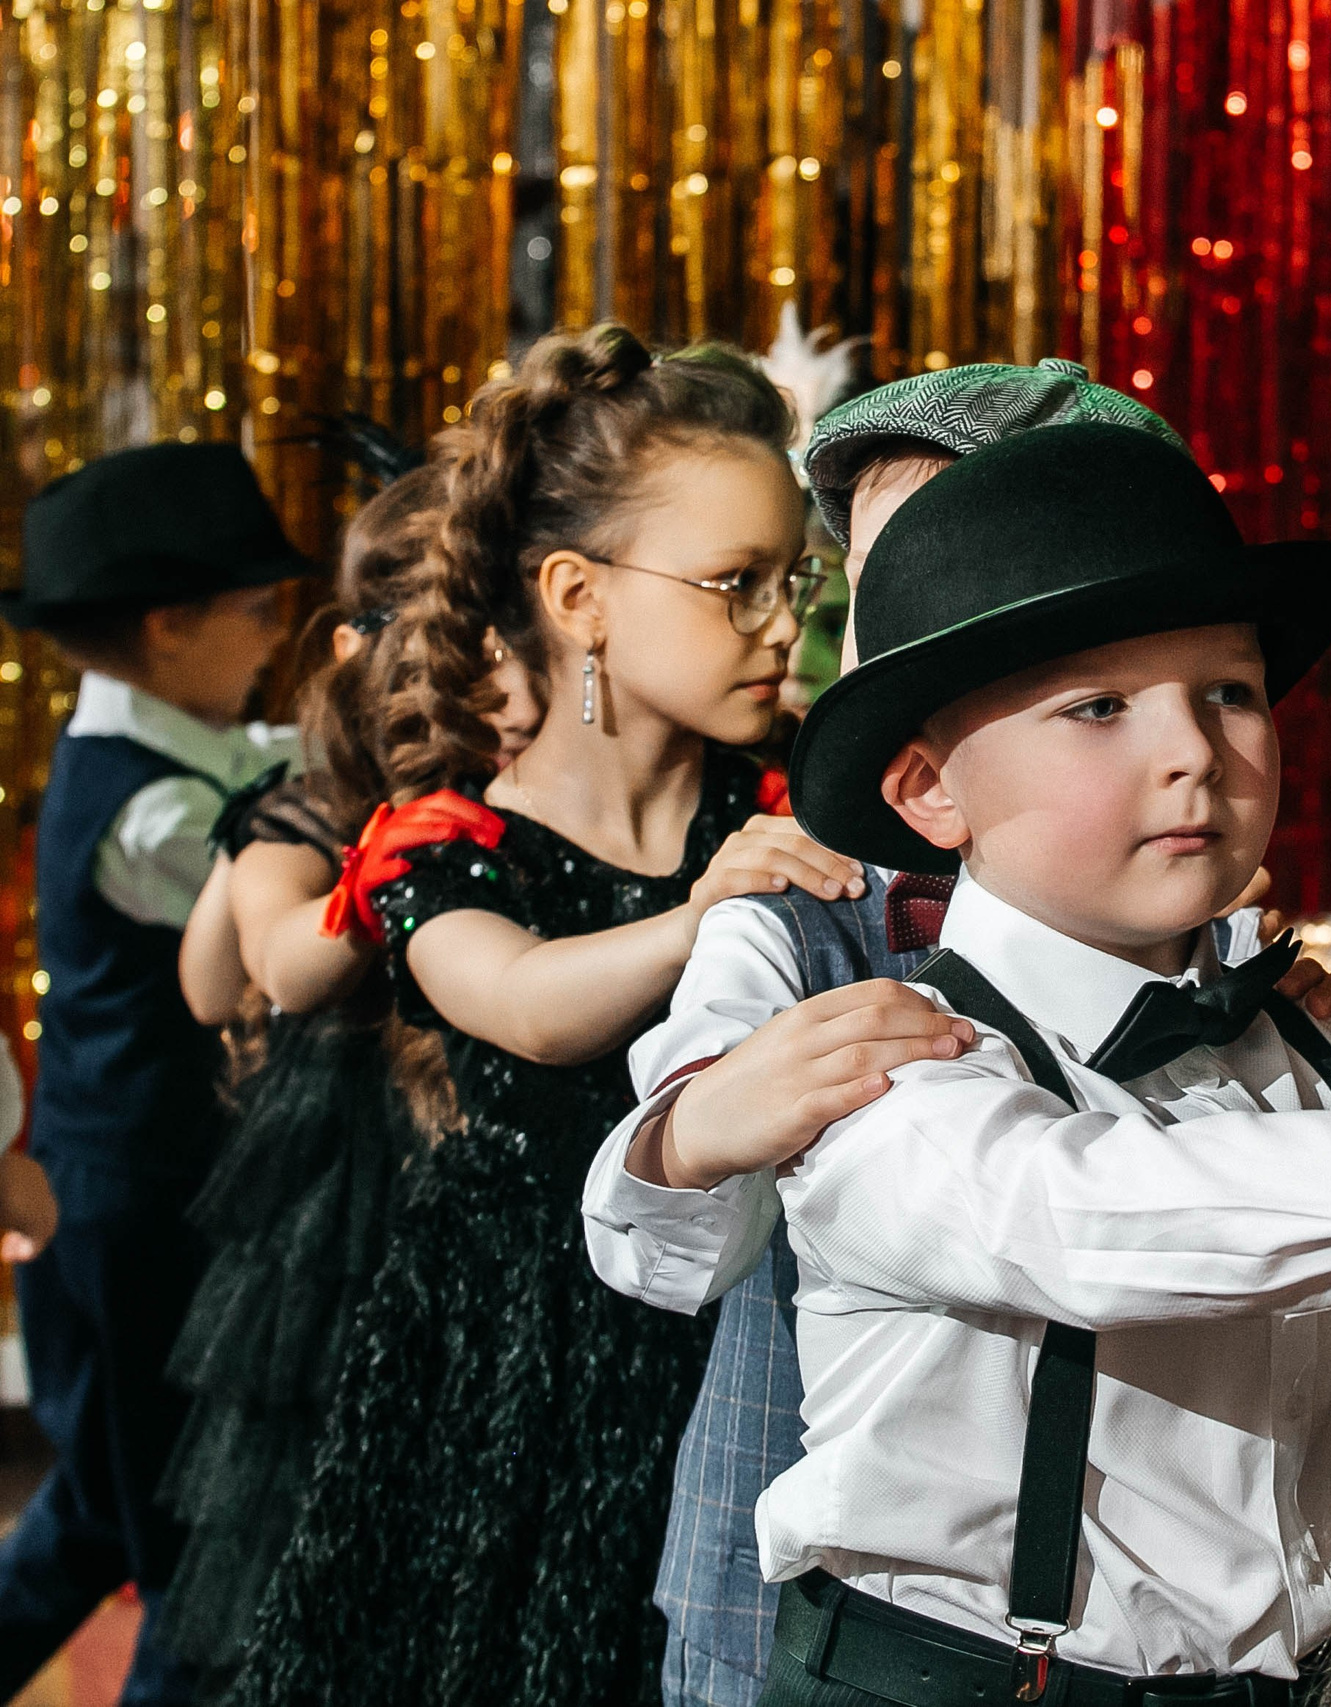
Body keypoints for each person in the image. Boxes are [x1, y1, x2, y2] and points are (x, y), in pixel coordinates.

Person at [583, 422, 1331, 1706]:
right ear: (930, 791)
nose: (1193, 752)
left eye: (1229, 692)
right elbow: (1089, 1218)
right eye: (1098, 708)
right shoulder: (890, 1063)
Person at [587, 361, 1331, 1707]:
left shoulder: (1219, 941)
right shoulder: (796, 924)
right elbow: (653, 1235)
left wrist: (1326, 1055)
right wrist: (701, 1121)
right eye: (872, 583)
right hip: (830, 1586)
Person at [225, 324, 868, 1707]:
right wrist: (701, 914)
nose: (779, 623)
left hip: (737, 1321)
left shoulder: (784, 803)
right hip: (512, 1346)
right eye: (737, 583)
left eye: (795, 581)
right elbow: (520, 1001)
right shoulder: (443, 836)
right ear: (578, 596)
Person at [153, 462, 543, 1688]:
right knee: (317, 1495)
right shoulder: (313, 803)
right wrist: (379, 877)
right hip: (337, 1191)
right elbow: (260, 972)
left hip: (470, 1170)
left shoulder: (514, 795)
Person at [0, 443, 306, 1707]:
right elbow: (272, 917)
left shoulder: (180, 754)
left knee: (97, 1509)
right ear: (171, 626)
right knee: (188, 1533)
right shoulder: (150, 817)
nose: (278, 638)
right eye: (260, 611)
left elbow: (267, 760)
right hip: (129, 1212)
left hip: (123, 1194)